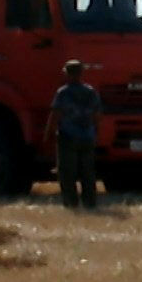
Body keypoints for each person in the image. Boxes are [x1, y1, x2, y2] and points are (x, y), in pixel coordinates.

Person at [44, 59, 101, 209]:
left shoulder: (63, 92)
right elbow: (96, 115)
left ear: (67, 74)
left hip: (68, 137)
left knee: (67, 173)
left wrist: (49, 132)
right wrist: (95, 132)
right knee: (88, 172)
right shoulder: (91, 92)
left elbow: (55, 114)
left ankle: (71, 203)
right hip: (87, 136)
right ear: (82, 73)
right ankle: (90, 203)